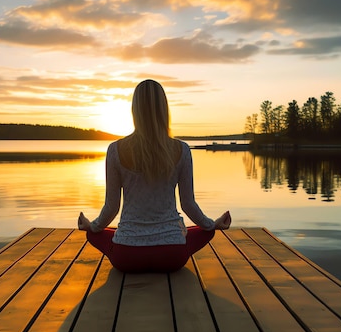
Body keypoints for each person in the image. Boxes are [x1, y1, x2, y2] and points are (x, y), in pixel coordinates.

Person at [78, 79, 231, 273]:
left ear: (135, 110)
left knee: (94, 234)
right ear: (163, 109)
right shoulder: (182, 150)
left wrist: (92, 226)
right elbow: (188, 205)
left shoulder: (115, 150)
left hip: (127, 256)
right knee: (205, 232)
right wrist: (211, 225)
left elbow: (112, 208)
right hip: (172, 255)